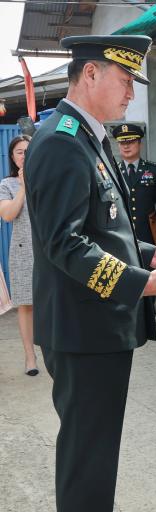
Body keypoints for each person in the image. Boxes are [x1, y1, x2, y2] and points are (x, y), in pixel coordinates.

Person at [23, 35, 156, 512]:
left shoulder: (87, 137)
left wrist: (148, 252)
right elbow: (64, 245)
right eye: (124, 81)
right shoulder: (59, 141)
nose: (129, 94)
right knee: (87, 460)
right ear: (91, 75)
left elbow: (107, 226)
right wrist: (142, 284)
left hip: (95, 327)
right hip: (81, 331)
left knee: (95, 456)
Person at [0, 134, 38, 376]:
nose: (24, 155)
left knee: (54, 301)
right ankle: (30, 357)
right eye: (19, 152)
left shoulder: (48, 180)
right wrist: (24, 186)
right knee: (25, 304)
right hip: (23, 250)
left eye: (28, 150)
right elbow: (8, 215)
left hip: (49, 248)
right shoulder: (7, 184)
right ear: (13, 157)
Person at [112, 123, 156, 245]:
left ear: (140, 144)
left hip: (148, 230)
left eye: (131, 142)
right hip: (122, 231)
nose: (126, 146)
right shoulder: (113, 171)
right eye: (122, 143)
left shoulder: (154, 170)